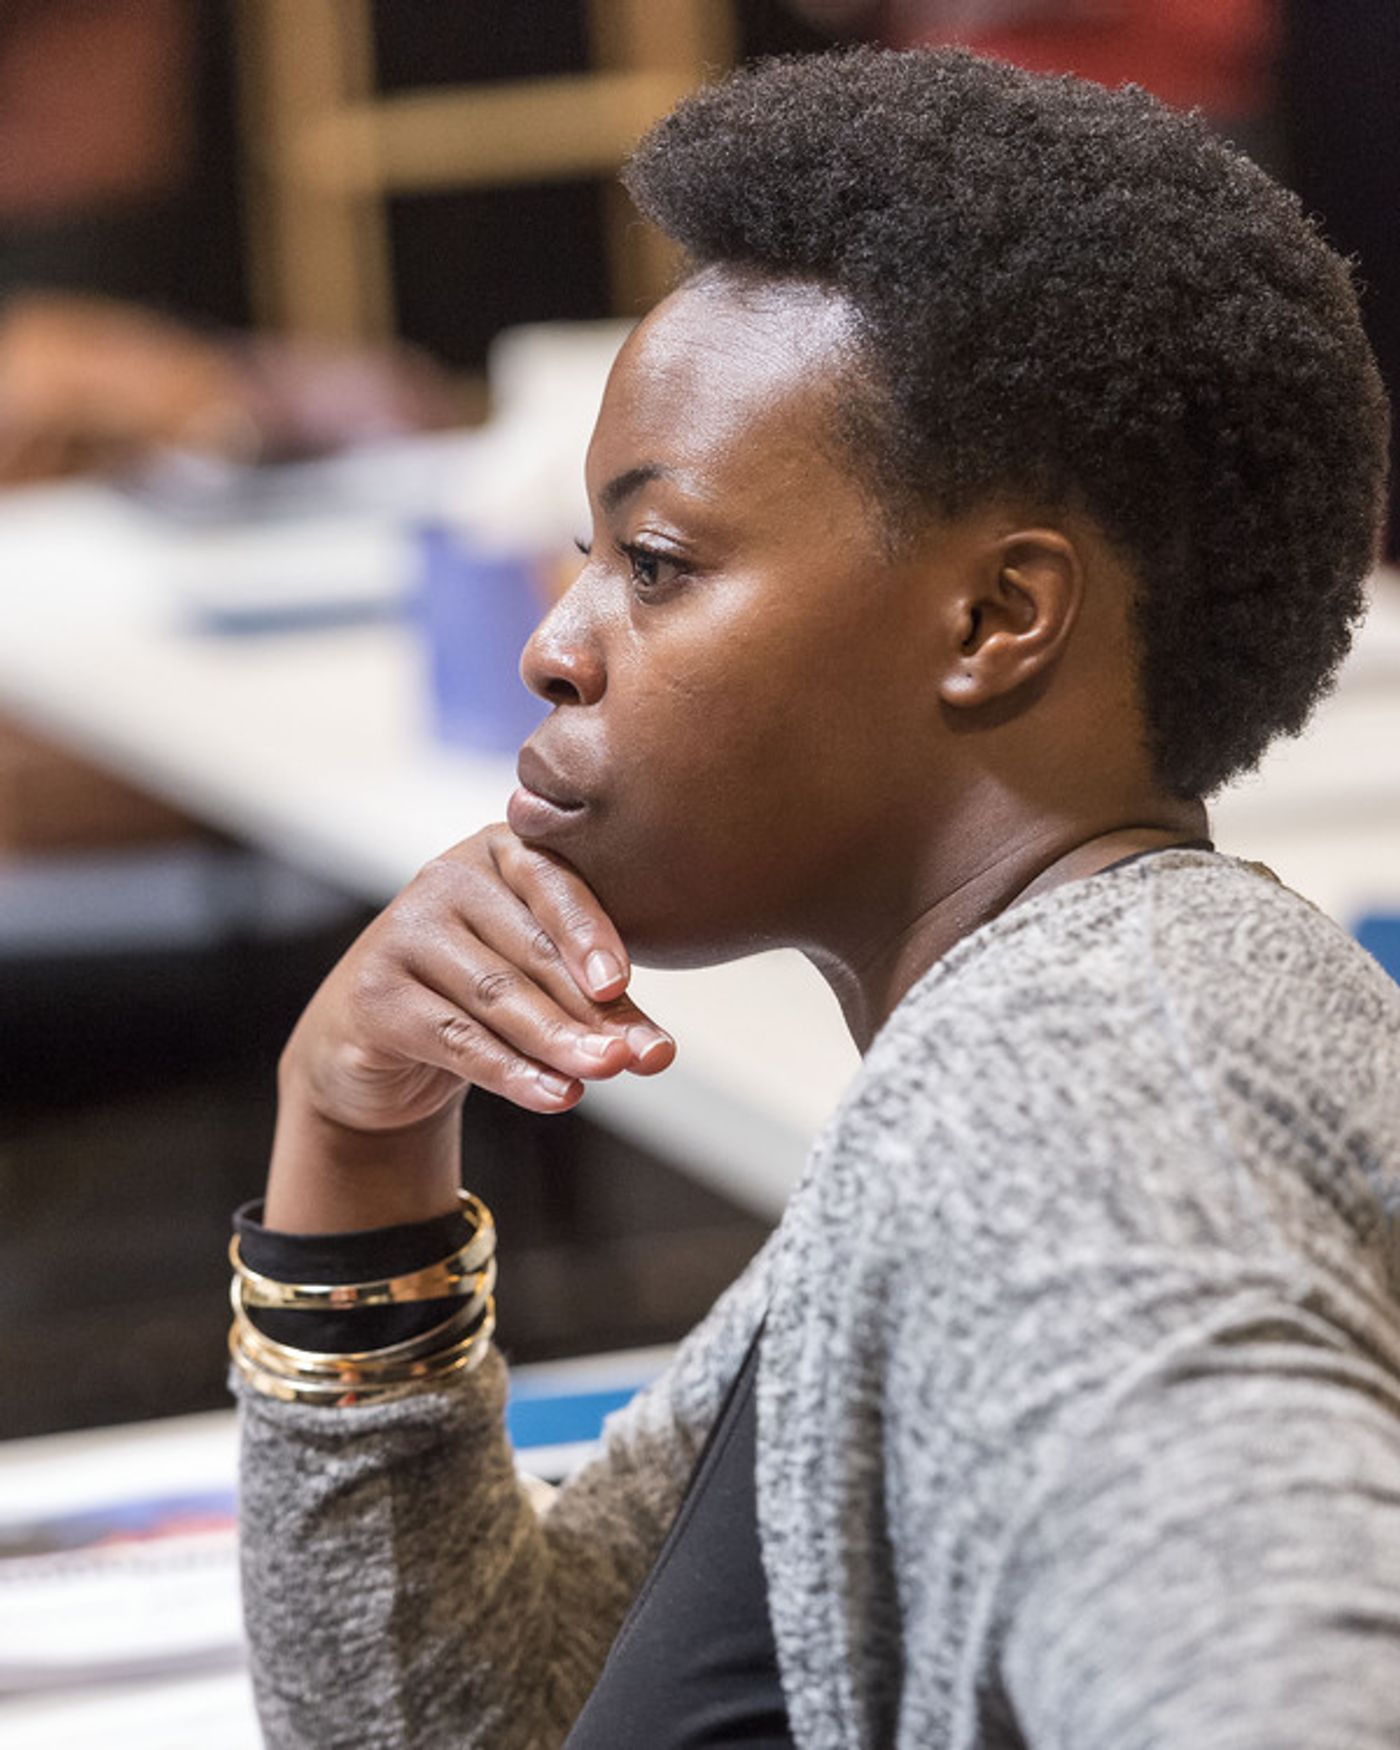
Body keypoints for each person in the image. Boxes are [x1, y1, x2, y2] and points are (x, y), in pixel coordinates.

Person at [228, 47, 1400, 1749]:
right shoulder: (1029, 1044)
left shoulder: (1070, 1111)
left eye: (657, 562)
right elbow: (493, 1724)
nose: (557, 644)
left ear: (996, 618)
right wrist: (356, 1152)